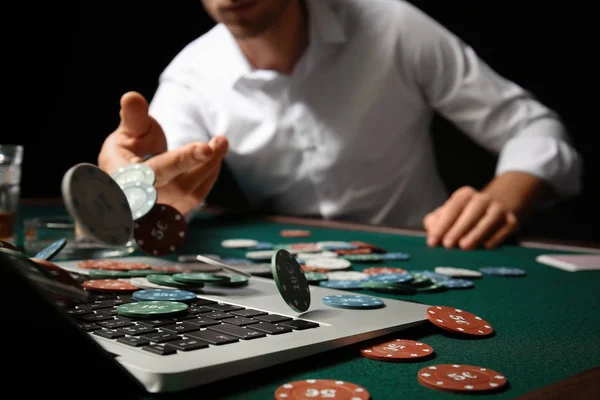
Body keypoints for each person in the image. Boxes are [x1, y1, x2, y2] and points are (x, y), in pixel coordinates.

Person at [98, 0, 583, 250]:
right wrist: (135, 187)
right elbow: (162, 193)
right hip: (298, 276)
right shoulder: (190, 77)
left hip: (436, 252)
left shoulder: (391, 24)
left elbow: (535, 128)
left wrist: (504, 199)